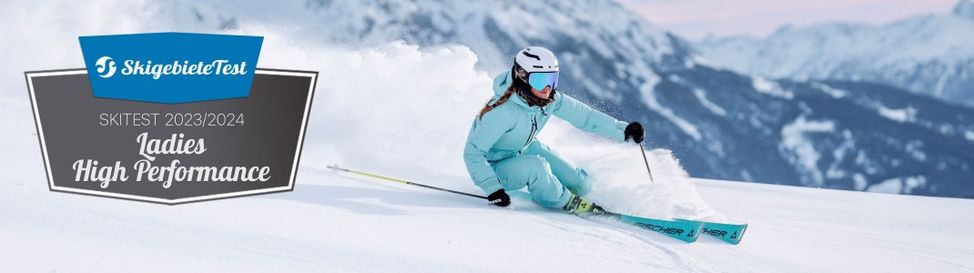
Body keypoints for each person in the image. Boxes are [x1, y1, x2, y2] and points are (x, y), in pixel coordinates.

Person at [463, 46, 645, 214]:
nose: (548, 88)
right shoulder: (501, 111)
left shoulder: (549, 100)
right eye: (540, 80)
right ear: (522, 77)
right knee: (536, 167)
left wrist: (623, 130)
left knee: (580, 183)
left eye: (552, 79)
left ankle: (584, 194)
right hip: (495, 166)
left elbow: (585, 117)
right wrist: (492, 187)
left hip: (523, 149)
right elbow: (473, 153)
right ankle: (566, 202)